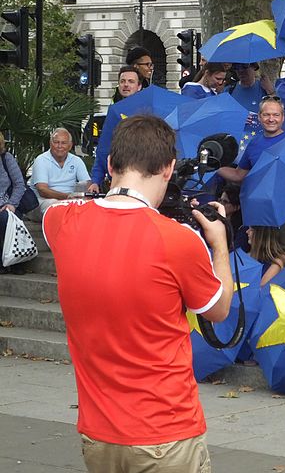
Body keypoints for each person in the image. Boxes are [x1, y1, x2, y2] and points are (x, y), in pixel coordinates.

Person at [43, 114, 233, 472]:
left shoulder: (60, 223)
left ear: (111, 164)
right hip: (167, 432)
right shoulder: (178, 240)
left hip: (99, 434)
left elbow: (70, 208)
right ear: (169, 168)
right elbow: (219, 309)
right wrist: (219, 245)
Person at [216, 97, 285, 260]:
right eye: (267, 115)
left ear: (283, 117)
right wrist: (214, 167)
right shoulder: (254, 144)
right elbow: (239, 175)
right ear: (260, 117)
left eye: (276, 115)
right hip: (259, 210)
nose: (271, 119)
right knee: (260, 255)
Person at [88, 67, 145, 192]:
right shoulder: (115, 110)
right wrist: (96, 180)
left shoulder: (147, 110)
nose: (126, 85)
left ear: (139, 86)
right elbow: (104, 148)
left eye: (131, 81)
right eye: (122, 81)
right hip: (120, 176)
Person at [29, 129, 90, 220]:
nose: (59, 146)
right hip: (43, 202)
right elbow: (42, 190)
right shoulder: (41, 160)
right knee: (55, 205)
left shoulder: (76, 160)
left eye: (64, 143)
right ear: (50, 143)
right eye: (56, 142)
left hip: (70, 201)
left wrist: (83, 194)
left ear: (70, 146)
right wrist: (67, 197)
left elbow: (87, 183)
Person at [0, 131, 26, 215]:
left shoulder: (6, 158)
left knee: (4, 217)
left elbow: (19, 184)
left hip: (5, 206)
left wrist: (11, 204)